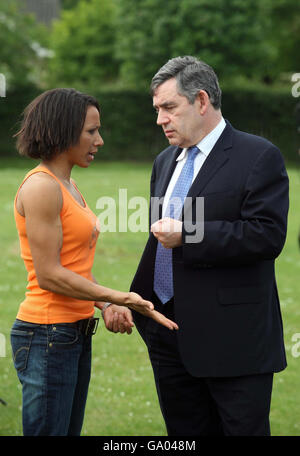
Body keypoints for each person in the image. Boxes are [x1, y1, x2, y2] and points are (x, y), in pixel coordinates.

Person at [129, 56, 289, 436]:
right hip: (168, 335)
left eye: (169, 107)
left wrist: (190, 233)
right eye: (157, 109)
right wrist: (136, 302)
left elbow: (266, 235)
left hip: (233, 342)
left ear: (201, 101)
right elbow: (158, 239)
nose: (160, 119)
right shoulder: (164, 161)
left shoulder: (258, 156)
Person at [10, 88, 178, 437]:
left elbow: (72, 266)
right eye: (91, 131)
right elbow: (49, 275)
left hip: (72, 333)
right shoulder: (42, 187)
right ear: (62, 129)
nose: (99, 140)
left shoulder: (68, 184)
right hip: (46, 335)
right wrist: (120, 297)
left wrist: (102, 303)